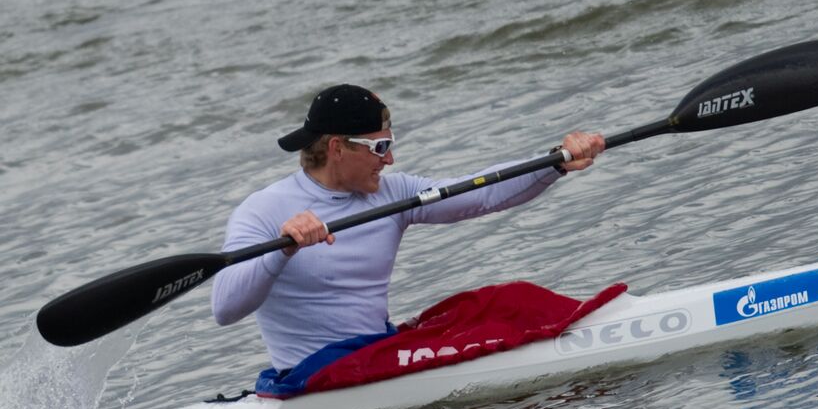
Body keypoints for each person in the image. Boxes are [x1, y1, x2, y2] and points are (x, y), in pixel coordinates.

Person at [211, 84, 604, 373]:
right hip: (316, 374)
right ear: (336, 148)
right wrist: (283, 249)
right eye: (380, 148)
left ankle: (591, 329)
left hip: (379, 354)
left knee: (509, 301)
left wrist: (555, 161)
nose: (391, 160)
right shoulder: (264, 211)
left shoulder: (391, 193)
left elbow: (481, 194)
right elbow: (225, 309)